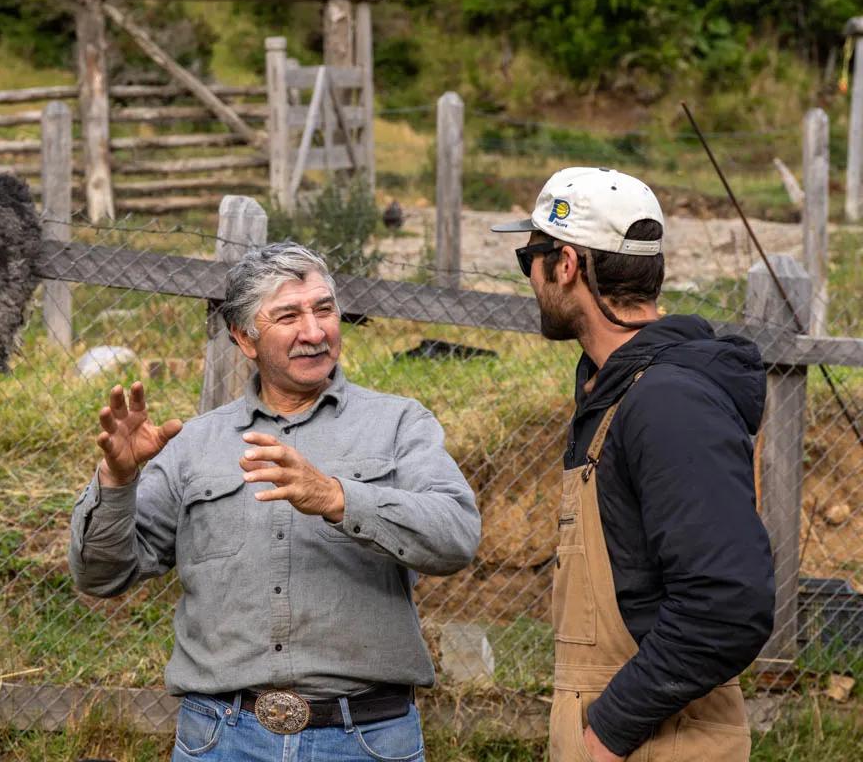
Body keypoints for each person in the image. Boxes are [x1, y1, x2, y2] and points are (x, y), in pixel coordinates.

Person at [69, 241, 481, 761]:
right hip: (223, 739)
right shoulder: (195, 443)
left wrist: (337, 497)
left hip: (367, 739)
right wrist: (117, 479)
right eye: (288, 315)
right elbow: (101, 575)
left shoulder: (399, 424)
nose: (314, 332)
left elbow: (456, 536)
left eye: (324, 309)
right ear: (245, 337)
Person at [492, 167, 775, 761]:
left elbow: (728, 604)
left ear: (566, 265)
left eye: (531, 260)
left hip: (655, 743)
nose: (532, 279)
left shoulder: (668, 401)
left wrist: (610, 730)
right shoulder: (615, 391)